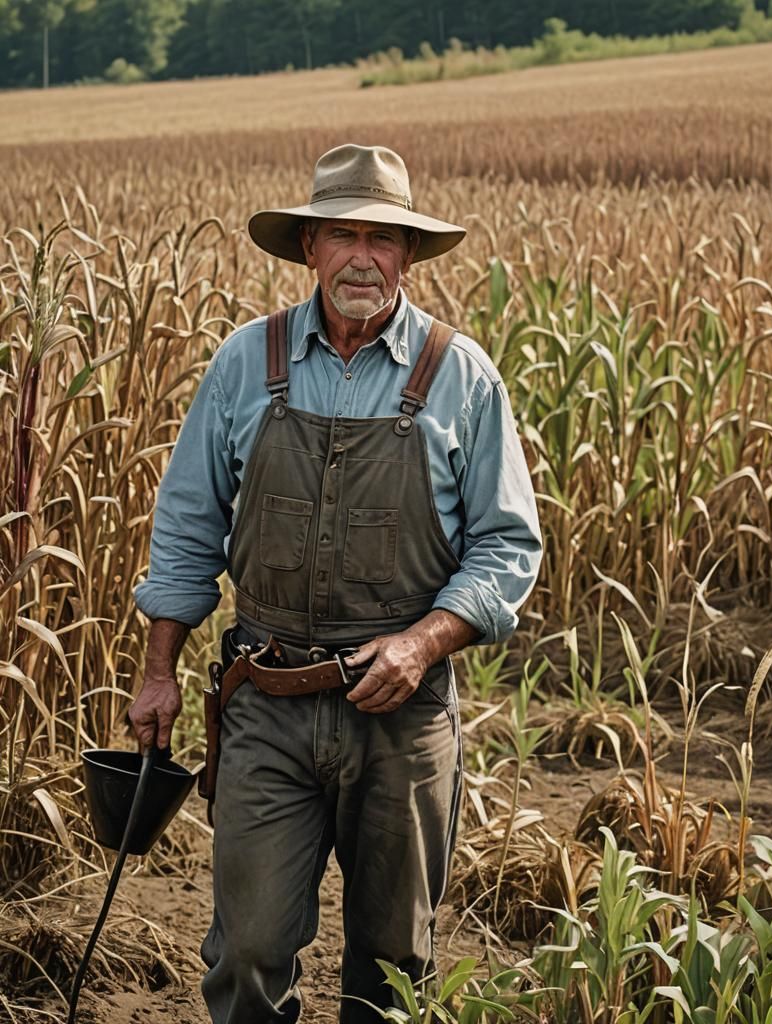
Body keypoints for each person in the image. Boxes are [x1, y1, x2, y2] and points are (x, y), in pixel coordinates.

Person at [128, 143, 543, 1024]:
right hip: (265, 699)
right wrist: (159, 668)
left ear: (409, 253)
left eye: (386, 238)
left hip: (403, 713)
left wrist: (422, 642)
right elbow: (188, 524)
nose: (365, 255)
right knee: (246, 951)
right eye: (344, 234)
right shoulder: (247, 361)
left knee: (395, 965)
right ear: (310, 245)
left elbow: (508, 549)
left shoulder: (459, 374)